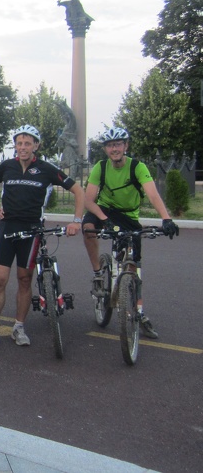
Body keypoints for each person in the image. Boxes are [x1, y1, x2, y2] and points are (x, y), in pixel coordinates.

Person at [0, 125, 84, 349]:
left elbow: (78, 191)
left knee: (24, 279)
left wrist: (76, 220)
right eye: (19, 143)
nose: (23, 148)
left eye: (27, 143)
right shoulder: (6, 166)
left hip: (32, 230)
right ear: (15, 146)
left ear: (36, 145)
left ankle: (18, 327)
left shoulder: (46, 169)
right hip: (6, 228)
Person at [82, 127, 179, 339]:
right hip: (104, 210)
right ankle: (99, 272)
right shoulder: (101, 167)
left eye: (118, 144)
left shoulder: (137, 167)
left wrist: (166, 218)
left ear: (125, 146)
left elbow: (152, 194)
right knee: (88, 228)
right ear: (106, 149)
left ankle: (140, 312)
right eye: (110, 145)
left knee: (133, 265)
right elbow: (89, 200)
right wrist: (104, 220)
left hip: (128, 216)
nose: (114, 149)